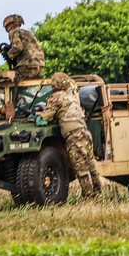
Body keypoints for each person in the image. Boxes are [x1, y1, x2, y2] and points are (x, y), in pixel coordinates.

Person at [37, 72, 102, 200]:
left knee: (81, 169)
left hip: (74, 137)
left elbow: (45, 118)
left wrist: (38, 118)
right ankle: (98, 193)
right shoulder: (71, 96)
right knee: (91, 166)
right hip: (84, 133)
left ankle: (89, 197)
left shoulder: (56, 97)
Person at [2, 14, 44, 81]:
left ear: (10, 25)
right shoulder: (28, 33)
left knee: (6, 79)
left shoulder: (13, 32)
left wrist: (9, 55)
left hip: (27, 66)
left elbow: (18, 47)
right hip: (39, 66)